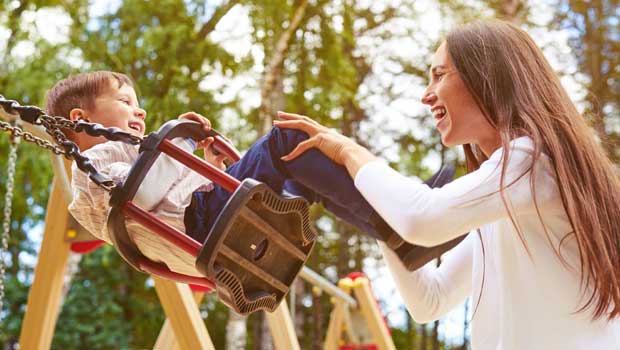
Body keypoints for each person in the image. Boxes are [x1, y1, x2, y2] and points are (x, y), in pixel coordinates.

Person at [274, 20, 620, 349]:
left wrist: (351, 152)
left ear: (487, 77)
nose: (426, 95)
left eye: (439, 75)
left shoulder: (531, 161)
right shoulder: (503, 202)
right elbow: (431, 300)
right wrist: (375, 209)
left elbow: (423, 220)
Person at [45, 70, 422, 265]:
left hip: (206, 217)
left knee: (304, 171)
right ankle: (398, 221)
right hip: (207, 222)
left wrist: (206, 165)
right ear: (80, 119)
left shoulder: (131, 154)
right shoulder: (94, 160)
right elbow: (140, 196)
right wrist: (178, 141)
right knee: (286, 142)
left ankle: (394, 225)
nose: (139, 110)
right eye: (125, 101)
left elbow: (166, 194)